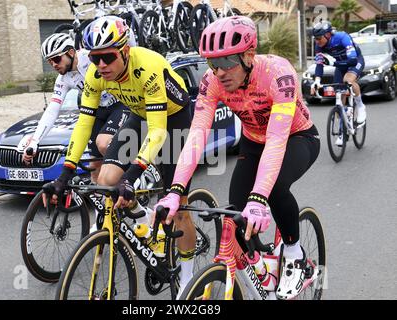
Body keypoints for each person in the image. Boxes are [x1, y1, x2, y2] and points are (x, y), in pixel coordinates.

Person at [154, 16, 320, 300]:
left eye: (228, 61)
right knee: (235, 213)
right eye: (212, 63)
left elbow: (277, 139)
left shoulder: (277, 73)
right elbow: (196, 137)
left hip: (296, 138)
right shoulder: (213, 81)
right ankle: (260, 266)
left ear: (248, 55)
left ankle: (294, 253)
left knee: (274, 188)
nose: (220, 71)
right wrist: (174, 191)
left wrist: (259, 198)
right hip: (254, 142)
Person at [45, 16, 197, 296]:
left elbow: (159, 131)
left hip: (174, 121)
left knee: (180, 209)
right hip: (139, 116)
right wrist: (65, 173)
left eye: (107, 57)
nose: (100, 65)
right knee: (107, 180)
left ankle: (187, 277)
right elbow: (84, 124)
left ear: (125, 52)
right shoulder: (95, 75)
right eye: (94, 57)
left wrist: (132, 175)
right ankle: (144, 218)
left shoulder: (148, 67)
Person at [22, 32, 130, 184]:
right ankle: (103, 204)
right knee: (94, 166)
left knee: (104, 143)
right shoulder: (63, 79)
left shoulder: (91, 57)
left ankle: (130, 179)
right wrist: (35, 141)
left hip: (119, 104)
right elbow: (53, 109)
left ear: (71, 52)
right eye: (49, 62)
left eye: (56, 59)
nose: (54, 65)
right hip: (97, 110)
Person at [311, 20, 366, 146]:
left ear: (328, 35)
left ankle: (361, 106)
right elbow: (319, 64)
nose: (317, 41)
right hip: (340, 66)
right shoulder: (319, 45)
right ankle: (342, 132)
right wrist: (317, 81)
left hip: (355, 61)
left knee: (348, 80)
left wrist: (333, 63)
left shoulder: (342, 37)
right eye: (315, 38)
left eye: (319, 38)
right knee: (339, 94)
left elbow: (352, 61)